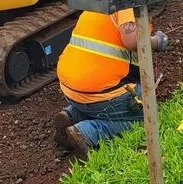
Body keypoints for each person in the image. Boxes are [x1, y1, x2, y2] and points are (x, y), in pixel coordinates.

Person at [54, 8, 169, 158]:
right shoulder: (126, 2)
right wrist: (157, 41)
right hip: (102, 94)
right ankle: (89, 131)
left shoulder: (95, 4)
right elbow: (132, 40)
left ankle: (72, 115)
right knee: (150, 115)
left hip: (70, 89)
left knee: (97, 104)